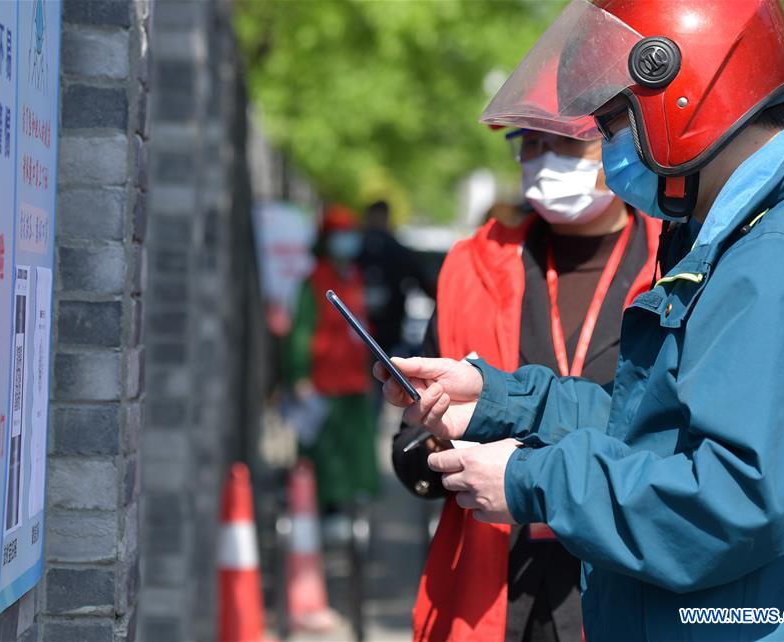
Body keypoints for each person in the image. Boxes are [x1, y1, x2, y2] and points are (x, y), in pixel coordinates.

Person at [378, 1, 784, 640]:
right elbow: (656, 431)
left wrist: (533, 479)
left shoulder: (781, 256)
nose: (611, 148)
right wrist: (501, 402)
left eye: (616, 123)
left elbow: (733, 501)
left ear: (684, 96)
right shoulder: (726, 235)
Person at [392, 127, 663, 642]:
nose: (543, 159)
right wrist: (431, 445)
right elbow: (412, 442)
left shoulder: (673, 260)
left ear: (618, 141)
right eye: (530, 143)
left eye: (565, 142)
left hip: (624, 578)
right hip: (495, 587)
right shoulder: (473, 266)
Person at [284, 204, 380, 517]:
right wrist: (300, 375)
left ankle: (351, 506)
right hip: (323, 382)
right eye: (341, 235)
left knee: (354, 449)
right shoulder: (313, 282)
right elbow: (301, 330)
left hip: (353, 379)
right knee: (323, 454)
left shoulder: (354, 277)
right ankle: (323, 511)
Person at [358, 200, 435, 355]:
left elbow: (423, 282)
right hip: (367, 324)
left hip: (385, 326)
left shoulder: (393, 251)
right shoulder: (359, 248)